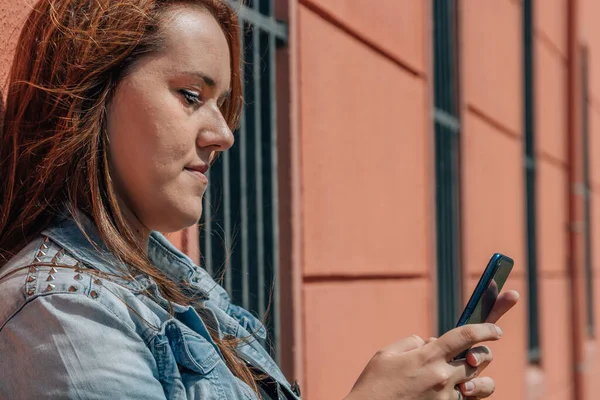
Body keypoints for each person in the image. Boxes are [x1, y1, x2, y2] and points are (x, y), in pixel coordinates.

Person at [0, 0, 519, 399]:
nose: (223, 134)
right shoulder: (63, 309)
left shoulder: (170, 285)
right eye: (190, 96)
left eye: (222, 105)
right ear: (94, 90)